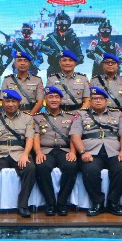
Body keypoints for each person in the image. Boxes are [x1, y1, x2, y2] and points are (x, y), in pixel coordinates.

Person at [70, 87, 122, 217]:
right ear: (90, 101)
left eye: (101, 98)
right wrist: (83, 152)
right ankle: (98, 203)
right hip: (91, 151)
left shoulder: (117, 114)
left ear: (106, 101)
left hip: (113, 150)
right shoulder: (81, 115)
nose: (98, 101)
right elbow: (75, 136)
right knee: (89, 170)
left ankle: (113, 202)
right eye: (94, 99)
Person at [0, 89, 36, 218]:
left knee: (30, 168)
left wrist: (25, 155)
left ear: (18, 103)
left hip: (19, 153)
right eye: (7, 101)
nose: (10, 104)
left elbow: (30, 139)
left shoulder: (28, 118)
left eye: (13, 101)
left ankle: (23, 205)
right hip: (0, 153)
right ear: (2, 103)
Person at [33, 86, 77, 216]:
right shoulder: (37, 118)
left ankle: (62, 203)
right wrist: (38, 153)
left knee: (71, 166)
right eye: (50, 97)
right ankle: (50, 203)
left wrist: (73, 152)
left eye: (57, 97)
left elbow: (74, 136)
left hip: (64, 150)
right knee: (41, 167)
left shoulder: (71, 117)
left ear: (61, 100)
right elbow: (35, 137)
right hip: (46, 150)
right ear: (45, 100)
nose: (54, 100)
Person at [38, 11, 84, 75]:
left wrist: (71, 61)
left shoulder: (74, 39)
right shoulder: (50, 37)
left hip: (68, 71)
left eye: (64, 22)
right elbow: (40, 45)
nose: (61, 24)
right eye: (59, 22)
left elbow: (80, 57)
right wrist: (53, 53)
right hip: (53, 70)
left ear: (68, 23)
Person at [1, 51, 44, 115]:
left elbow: (40, 103)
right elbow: (4, 101)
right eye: (19, 60)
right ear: (15, 64)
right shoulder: (7, 80)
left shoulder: (37, 80)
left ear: (29, 64)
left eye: (25, 61)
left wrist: (29, 117)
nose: (22, 63)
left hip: (31, 115)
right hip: (12, 115)